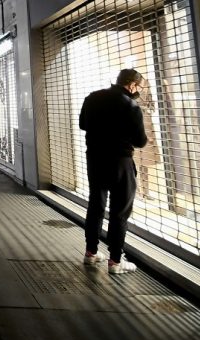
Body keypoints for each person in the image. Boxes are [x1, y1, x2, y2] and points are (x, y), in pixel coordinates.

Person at [79, 69, 148, 274]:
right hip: (120, 162)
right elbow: (140, 141)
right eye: (139, 87)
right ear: (132, 84)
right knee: (120, 212)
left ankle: (91, 253)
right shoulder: (131, 106)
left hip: (95, 158)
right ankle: (115, 261)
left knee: (96, 204)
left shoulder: (93, 98)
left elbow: (83, 124)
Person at [135, 79, 161, 200]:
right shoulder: (130, 90)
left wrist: (147, 107)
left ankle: (145, 191)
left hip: (146, 125)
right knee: (134, 161)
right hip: (135, 126)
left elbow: (153, 107)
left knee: (144, 162)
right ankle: (136, 191)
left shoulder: (147, 86)